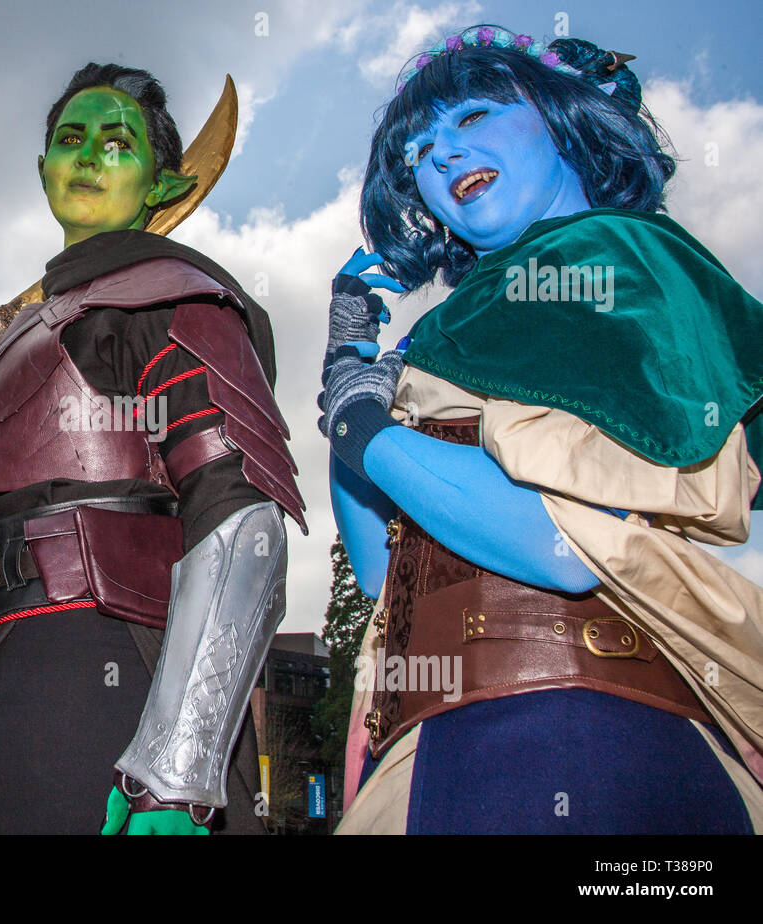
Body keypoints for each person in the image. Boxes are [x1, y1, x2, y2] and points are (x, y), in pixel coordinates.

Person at [320, 26, 763, 833]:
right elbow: (385, 577)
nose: (442, 156)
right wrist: (353, 358)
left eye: (474, 117)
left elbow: (558, 551)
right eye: (418, 149)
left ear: (563, 121)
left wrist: (361, 423)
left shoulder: (610, 263)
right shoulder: (453, 332)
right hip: (436, 738)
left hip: (574, 730)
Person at [0, 63, 306, 834]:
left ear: (164, 186)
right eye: (72, 140)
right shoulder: (38, 325)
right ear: (43, 171)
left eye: (118, 143)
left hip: (97, 663)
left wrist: (175, 771)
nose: (90, 157)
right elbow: (21, 472)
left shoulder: (172, 293)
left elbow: (242, 524)